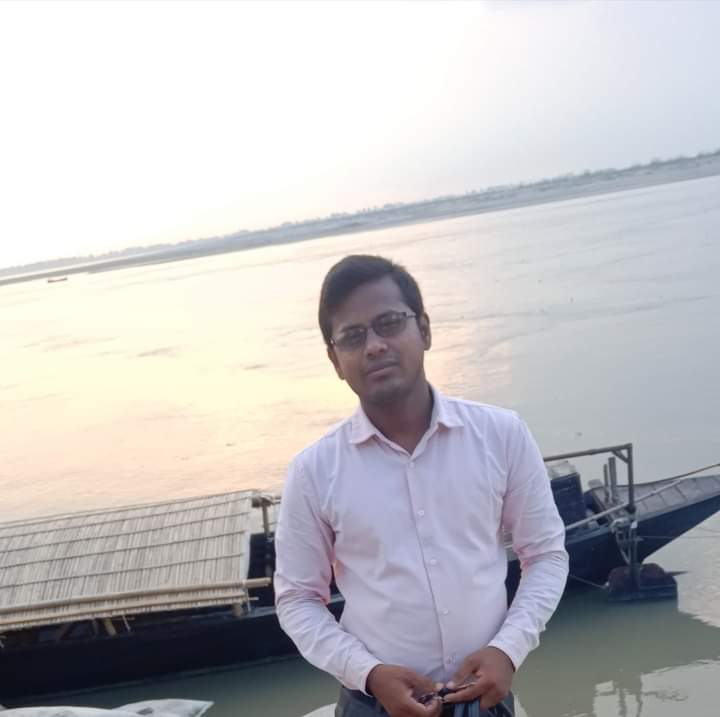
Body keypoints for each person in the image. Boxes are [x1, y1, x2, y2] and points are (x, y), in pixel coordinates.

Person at [274, 255, 569, 717]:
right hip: (375, 705)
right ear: (335, 361)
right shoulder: (314, 471)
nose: (374, 346)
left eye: (389, 324)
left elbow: (546, 554)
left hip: (484, 698)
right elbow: (297, 599)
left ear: (425, 330)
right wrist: (368, 672)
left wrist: (508, 650)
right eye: (353, 336)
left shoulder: (501, 435)